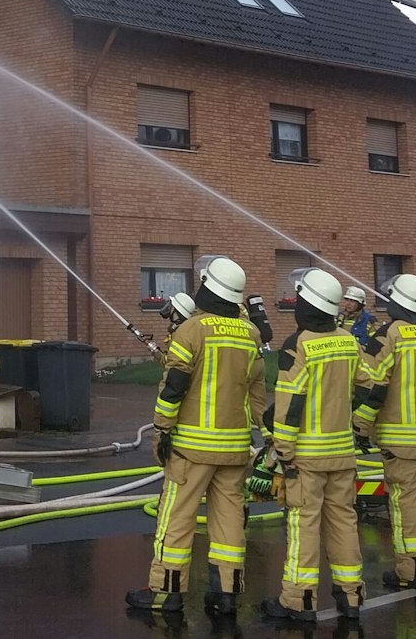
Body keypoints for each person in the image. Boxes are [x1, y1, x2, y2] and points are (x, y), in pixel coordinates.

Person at [125, 255, 268, 617]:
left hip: (191, 449)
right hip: (235, 450)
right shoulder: (251, 334)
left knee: (176, 519)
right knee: (229, 522)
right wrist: (265, 439)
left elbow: (174, 387)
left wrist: (161, 429)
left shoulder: (192, 330)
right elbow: (258, 394)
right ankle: (227, 595)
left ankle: (166, 593)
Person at [264, 269, 374, 623]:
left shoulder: (299, 344)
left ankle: (298, 601)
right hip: (342, 453)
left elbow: (290, 404)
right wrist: (340, 412)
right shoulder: (347, 340)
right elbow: (366, 385)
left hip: (306, 456)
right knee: (344, 521)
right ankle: (351, 596)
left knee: (304, 525)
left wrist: (282, 451)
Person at [354, 274, 416, 590]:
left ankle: (410, 572)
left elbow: (374, 388)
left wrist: (360, 427)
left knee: (406, 506)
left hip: (400, 442)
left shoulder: (388, 335)